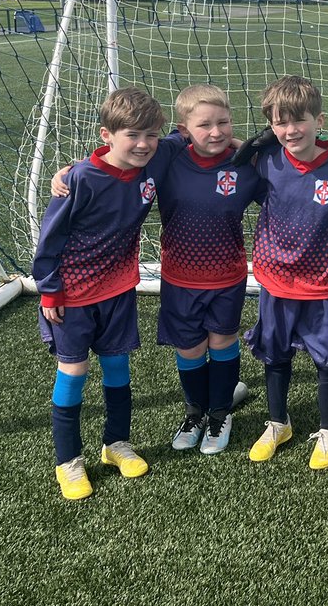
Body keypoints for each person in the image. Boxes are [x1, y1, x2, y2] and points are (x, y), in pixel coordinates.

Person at [52, 84, 260, 457]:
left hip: (227, 276)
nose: (216, 132)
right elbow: (119, 154)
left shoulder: (243, 163)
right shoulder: (166, 156)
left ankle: (220, 412)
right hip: (179, 276)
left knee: (222, 342)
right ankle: (195, 412)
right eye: (204, 125)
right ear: (182, 130)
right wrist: (71, 171)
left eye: (224, 123)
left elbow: (279, 177)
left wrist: (243, 146)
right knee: (190, 347)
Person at [242, 76, 328, 470]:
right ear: (269, 128)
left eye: (298, 120)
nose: (290, 130)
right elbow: (226, 176)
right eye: (279, 122)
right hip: (273, 278)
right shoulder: (266, 162)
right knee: (274, 353)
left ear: (319, 119)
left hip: (320, 282)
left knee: (325, 358)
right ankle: (277, 423)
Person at [33, 86, 165, 501]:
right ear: (107, 134)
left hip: (119, 292)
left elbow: (192, 137)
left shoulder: (152, 164)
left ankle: (115, 444)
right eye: (133, 135)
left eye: (152, 135)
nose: (143, 144)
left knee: (118, 370)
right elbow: (48, 240)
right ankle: (68, 462)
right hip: (72, 297)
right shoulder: (77, 180)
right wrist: (50, 291)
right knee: (74, 373)